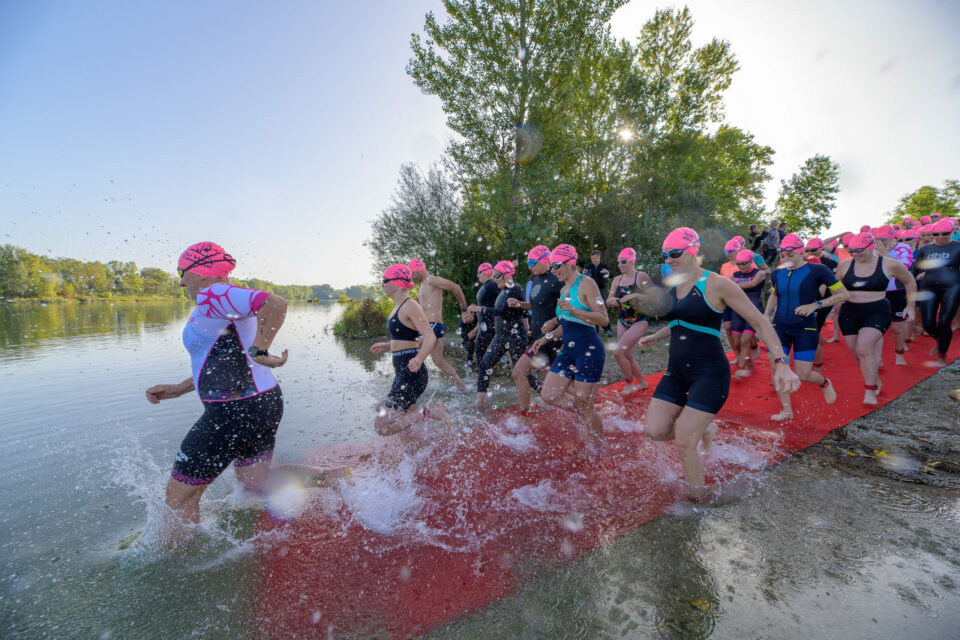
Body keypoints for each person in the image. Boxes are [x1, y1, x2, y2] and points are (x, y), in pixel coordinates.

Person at [640, 228, 800, 501]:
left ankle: (697, 501)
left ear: (692, 251)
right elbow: (681, 321)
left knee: (684, 441)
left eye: (674, 254)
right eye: (665, 255)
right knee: (655, 431)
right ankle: (705, 427)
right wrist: (656, 336)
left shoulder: (717, 284)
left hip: (709, 373)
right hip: (676, 372)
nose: (669, 260)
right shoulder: (674, 284)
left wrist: (782, 362)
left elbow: (760, 321)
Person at [146, 242, 295, 534]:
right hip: (262, 404)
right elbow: (219, 361)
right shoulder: (221, 301)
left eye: (181, 272)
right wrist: (179, 388)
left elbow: (276, 304)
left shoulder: (213, 293)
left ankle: (178, 561)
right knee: (254, 483)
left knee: (178, 499)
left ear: (199, 272)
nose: (180, 282)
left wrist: (260, 349)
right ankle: (335, 478)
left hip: (233, 412)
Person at [764, 234, 849, 419]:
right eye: (783, 256)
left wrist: (815, 305)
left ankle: (825, 383)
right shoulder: (777, 273)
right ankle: (786, 410)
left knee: (803, 374)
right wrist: (766, 314)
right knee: (777, 369)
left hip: (805, 327)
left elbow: (843, 294)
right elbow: (775, 295)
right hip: (779, 327)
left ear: (801, 253)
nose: (786, 259)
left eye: (790, 255)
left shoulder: (817, 270)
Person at [535, 244, 609, 453]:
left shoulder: (587, 284)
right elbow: (567, 323)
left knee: (585, 403)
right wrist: (546, 337)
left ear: (570, 263)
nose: (553, 270)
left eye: (557, 266)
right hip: (568, 351)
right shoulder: (563, 289)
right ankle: (586, 412)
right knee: (549, 395)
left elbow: (604, 318)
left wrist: (575, 311)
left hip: (589, 350)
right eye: (551, 266)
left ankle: (597, 448)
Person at [836, 232, 916, 404]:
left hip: (877, 310)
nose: (855, 254)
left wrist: (910, 306)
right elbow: (835, 287)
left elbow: (910, 281)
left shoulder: (889, 264)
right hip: (849, 311)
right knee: (857, 353)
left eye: (859, 250)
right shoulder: (845, 265)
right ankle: (874, 380)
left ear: (871, 247)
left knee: (864, 348)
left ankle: (870, 391)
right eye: (851, 250)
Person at [370, 264, 443, 434]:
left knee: (381, 427)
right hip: (403, 371)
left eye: (385, 280)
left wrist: (419, 358)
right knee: (406, 427)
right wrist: (387, 346)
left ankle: (433, 411)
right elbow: (409, 339)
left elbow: (430, 336)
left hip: (411, 372)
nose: (382, 284)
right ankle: (418, 450)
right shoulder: (397, 307)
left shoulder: (410, 305)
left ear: (397, 282)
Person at [509, 245, 564, 412]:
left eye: (532, 262)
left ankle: (525, 413)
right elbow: (536, 305)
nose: (529, 267)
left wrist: (555, 320)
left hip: (550, 338)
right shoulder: (536, 280)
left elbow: (571, 306)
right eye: (528, 263)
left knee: (519, 372)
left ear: (544, 260)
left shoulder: (557, 280)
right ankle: (581, 408)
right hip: (538, 337)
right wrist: (519, 304)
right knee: (558, 381)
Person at [469, 261, 529, 409]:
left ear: (506, 275)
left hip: (515, 337)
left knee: (522, 373)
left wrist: (481, 309)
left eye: (496, 275)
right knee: (484, 365)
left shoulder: (514, 289)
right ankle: (479, 403)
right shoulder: (504, 289)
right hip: (501, 337)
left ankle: (544, 395)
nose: (494, 279)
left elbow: (504, 313)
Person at [408, 259, 471, 392]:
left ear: (417, 269)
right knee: (438, 361)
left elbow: (455, 287)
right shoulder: (423, 284)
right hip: (432, 326)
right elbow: (423, 304)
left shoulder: (431, 280)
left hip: (433, 325)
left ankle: (409, 385)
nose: (412, 277)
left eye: (412, 273)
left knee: (411, 349)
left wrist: (464, 309)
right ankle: (461, 386)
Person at [604, 247, 654, 394]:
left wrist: (636, 296)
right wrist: (612, 300)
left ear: (632, 261)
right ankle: (643, 383)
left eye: (623, 262)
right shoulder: (617, 280)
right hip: (623, 320)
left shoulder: (640, 276)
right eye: (618, 262)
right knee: (627, 355)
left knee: (618, 351)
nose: (619, 265)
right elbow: (608, 300)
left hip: (639, 320)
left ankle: (629, 384)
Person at [913, 219, 960, 366]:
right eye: (936, 234)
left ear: (952, 232)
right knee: (928, 324)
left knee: (945, 322)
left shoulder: (958, 247)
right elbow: (914, 270)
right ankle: (941, 339)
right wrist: (907, 283)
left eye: (944, 234)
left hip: (952, 287)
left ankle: (941, 356)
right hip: (929, 287)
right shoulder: (925, 249)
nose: (940, 237)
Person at [874, 225, 914, 365]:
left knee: (897, 328)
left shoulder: (903, 248)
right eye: (878, 239)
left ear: (892, 237)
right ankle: (878, 358)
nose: (881, 242)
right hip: (879, 292)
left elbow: (904, 269)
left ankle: (899, 354)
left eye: (884, 239)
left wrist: (885, 254)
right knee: (877, 327)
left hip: (898, 291)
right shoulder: (873, 250)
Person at [728, 249, 767, 379]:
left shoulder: (759, 273)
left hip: (753, 310)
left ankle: (741, 369)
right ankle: (750, 355)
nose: (740, 266)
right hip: (738, 310)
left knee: (744, 340)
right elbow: (729, 288)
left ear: (751, 262)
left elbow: (752, 284)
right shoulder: (735, 274)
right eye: (738, 263)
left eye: (743, 263)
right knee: (736, 341)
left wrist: (734, 285)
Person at [468, 263, 499, 365]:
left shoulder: (492, 285)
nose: (477, 275)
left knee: (481, 351)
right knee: (481, 351)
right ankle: (485, 371)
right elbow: (483, 306)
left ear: (486, 272)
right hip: (485, 325)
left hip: (491, 325)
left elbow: (502, 303)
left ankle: (483, 372)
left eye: (479, 272)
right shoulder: (487, 285)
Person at [583, 250, 614, 337]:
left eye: (595, 258)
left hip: (600, 290)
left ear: (599, 257)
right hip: (590, 291)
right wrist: (583, 274)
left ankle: (607, 329)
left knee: (602, 310)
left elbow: (611, 275)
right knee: (592, 309)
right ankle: (595, 330)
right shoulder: (589, 267)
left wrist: (608, 273)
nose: (593, 260)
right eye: (592, 258)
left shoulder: (604, 266)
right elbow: (584, 279)